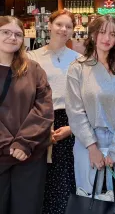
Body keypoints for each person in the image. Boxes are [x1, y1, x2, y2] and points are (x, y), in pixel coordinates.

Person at [65, 15, 115, 198]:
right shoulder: (78, 68)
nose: (106, 38)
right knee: (88, 197)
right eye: (102, 32)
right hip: (87, 141)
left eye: (112, 34)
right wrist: (92, 147)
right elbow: (75, 111)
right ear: (93, 35)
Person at [27, 10, 80, 214]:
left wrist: (72, 126)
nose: (63, 29)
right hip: (40, 119)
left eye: (68, 26)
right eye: (59, 24)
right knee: (42, 175)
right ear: (49, 25)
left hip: (70, 120)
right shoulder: (32, 57)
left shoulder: (79, 59)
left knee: (68, 176)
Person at [0, 16, 54, 214]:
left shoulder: (33, 70)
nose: (12, 38)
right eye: (6, 32)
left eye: (18, 34)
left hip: (29, 156)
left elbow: (44, 108)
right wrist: (8, 143)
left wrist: (23, 143)